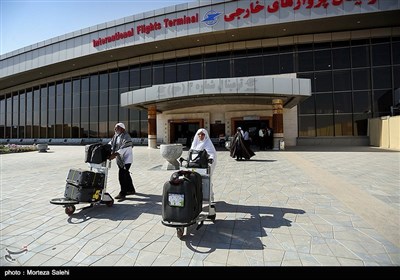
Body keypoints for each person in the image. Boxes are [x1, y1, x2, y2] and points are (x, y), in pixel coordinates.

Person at [189, 128, 217, 214]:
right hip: (195, 167)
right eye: (199, 134)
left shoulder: (208, 143)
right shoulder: (195, 143)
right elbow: (191, 153)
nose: (201, 136)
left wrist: (210, 159)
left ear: (205, 135)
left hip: (204, 167)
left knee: (206, 182)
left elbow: (211, 153)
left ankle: (209, 197)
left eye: (203, 134)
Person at [108, 123, 136, 200]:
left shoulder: (126, 136)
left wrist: (115, 154)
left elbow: (125, 148)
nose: (115, 129)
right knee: (126, 174)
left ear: (122, 129)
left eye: (117, 128)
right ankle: (131, 190)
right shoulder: (116, 136)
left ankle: (122, 193)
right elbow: (111, 144)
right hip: (120, 159)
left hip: (126, 160)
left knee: (122, 175)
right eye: (115, 128)